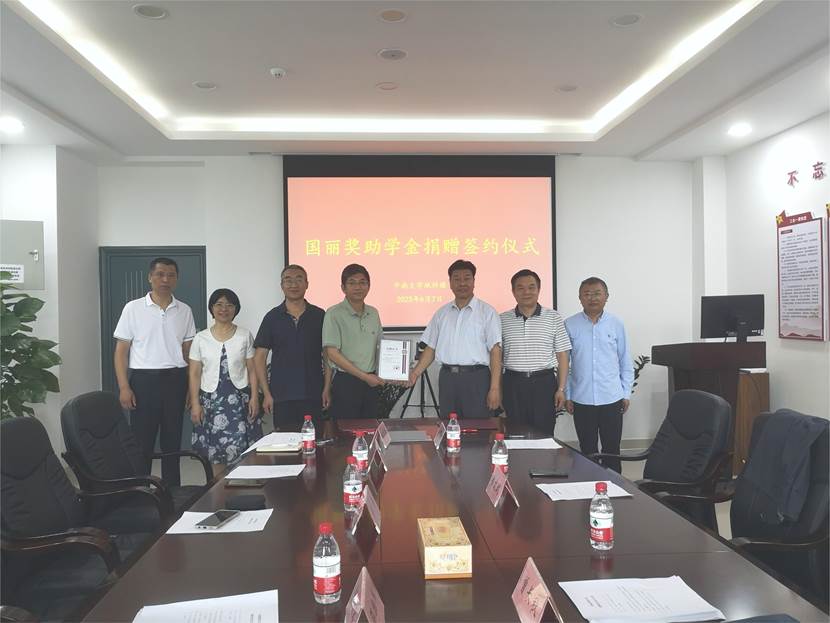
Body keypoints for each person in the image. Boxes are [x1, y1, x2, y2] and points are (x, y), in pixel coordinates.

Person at [113, 257, 196, 486]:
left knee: (172, 441)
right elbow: (121, 352)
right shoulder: (133, 308)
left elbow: (189, 353)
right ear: (150, 277)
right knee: (142, 443)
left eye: (171, 275)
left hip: (176, 380)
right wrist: (124, 387)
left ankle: (173, 492)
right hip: (144, 382)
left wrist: (191, 389)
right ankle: (141, 491)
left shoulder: (184, 310)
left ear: (176, 279)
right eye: (160, 274)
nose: (165, 279)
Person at [409, 259, 501, 418]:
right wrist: (415, 373)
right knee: (449, 425)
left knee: (478, 427)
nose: (462, 283)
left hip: (476, 379)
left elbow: (495, 351)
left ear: (474, 282)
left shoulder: (487, 312)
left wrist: (494, 388)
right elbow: (431, 348)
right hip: (448, 379)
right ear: (450, 283)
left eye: (467, 278)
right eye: (457, 279)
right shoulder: (442, 313)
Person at [188, 289, 260, 476]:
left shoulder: (244, 335)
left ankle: (243, 487)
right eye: (219, 304)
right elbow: (194, 373)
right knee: (215, 451)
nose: (224, 309)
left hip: (240, 400)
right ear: (212, 308)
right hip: (211, 401)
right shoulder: (201, 338)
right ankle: (218, 489)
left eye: (229, 305)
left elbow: (252, 369)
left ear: (236, 309)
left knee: (243, 450)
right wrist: (195, 404)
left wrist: (254, 397)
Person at [565, 277, 633, 473]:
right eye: (586, 294)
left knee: (612, 450)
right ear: (580, 298)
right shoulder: (569, 324)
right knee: (587, 451)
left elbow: (625, 360)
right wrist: (568, 395)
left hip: (611, 397)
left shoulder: (616, 324)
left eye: (597, 293)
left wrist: (625, 393)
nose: (592, 298)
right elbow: (564, 364)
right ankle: (588, 484)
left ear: (606, 296)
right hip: (582, 398)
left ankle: (615, 486)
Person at [254, 265, 330, 431]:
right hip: (282, 396)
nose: (293, 284)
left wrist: (327, 388)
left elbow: (327, 355)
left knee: (313, 441)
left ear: (307, 284)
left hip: (313, 394)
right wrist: (266, 393)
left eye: (299, 279)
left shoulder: (319, 315)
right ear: (282, 285)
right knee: (285, 442)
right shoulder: (272, 317)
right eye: (288, 280)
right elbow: (259, 357)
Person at [500, 269, 571, 434]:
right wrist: (498, 388)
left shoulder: (553, 317)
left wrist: (561, 389)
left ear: (539, 289)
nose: (526, 292)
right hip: (513, 383)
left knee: (544, 434)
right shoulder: (502, 319)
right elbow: (497, 358)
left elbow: (562, 355)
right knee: (515, 433)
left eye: (531, 287)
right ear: (513, 291)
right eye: (520, 288)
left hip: (544, 384)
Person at [322, 264, 384, 420]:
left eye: (362, 282)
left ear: (369, 286)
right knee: (346, 430)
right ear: (343, 287)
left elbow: (381, 347)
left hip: (371, 382)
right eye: (352, 283)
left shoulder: (373, 313)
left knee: (370, 427)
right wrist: (364, 377)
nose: (358, 287)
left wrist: (391, 372)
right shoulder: (333, 313)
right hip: (346, 382)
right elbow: (332, 354)